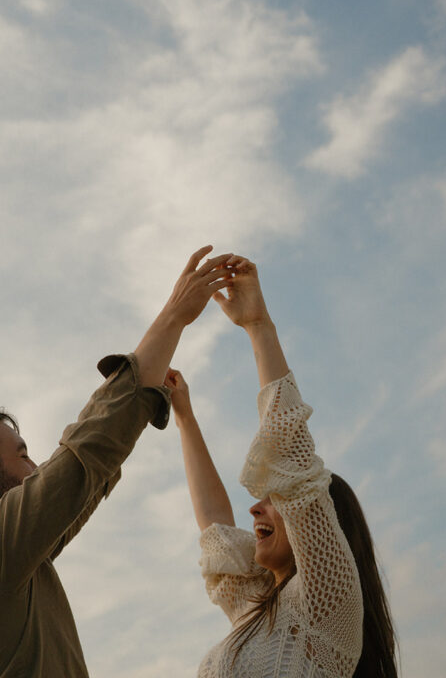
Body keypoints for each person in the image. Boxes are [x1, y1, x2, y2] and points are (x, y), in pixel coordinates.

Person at [0, 245, 231, 678]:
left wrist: (150, 396)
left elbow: (87, 479)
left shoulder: (9, 565)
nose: (36, 469)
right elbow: (84, 457)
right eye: (21, 456)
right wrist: (174, 316)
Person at [166, 254, 398, 678]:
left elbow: (292, 459)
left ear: (322, 530)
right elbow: (215, 529)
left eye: (276, 501)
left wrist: (258, 326)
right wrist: (185, 418)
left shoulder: (327, 605)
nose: (255, 508)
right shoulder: (254, 607)